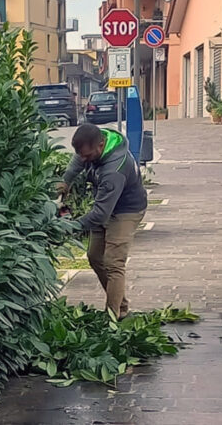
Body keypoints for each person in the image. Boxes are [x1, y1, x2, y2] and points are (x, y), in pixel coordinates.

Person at [58, 124, 147, 319]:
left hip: (126, 210)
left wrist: (71, 227)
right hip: (106, 203)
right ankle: (121, 304)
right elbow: (77, 160)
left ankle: (113, 317)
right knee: (94, 256)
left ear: (101, 145)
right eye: (80, 155)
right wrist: (65, 180)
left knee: (113, 262)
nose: (83, 160)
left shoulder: (114, 170)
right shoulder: (92, 145)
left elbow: (100, 214)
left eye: (87, 156)